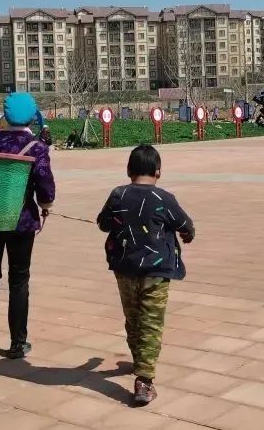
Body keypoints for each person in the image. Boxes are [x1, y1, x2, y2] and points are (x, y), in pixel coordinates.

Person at [96, 145, 195, 406]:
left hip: (125, 267)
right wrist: (188, 233)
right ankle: (145, 379)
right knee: (151, 321)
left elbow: (103, 223)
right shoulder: (164, 198)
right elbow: (184, 224)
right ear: (158, 171)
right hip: (156, 269)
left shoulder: (118, 194)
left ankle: (139, 359)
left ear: (129, 170)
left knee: (133, 317)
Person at [0, 92, 55, 360]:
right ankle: (18, 342)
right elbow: (45, 184)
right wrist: (46, 205)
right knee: (18, 279)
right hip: (21, 221)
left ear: (5, 115)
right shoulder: (36, 147)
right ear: (32, 117)